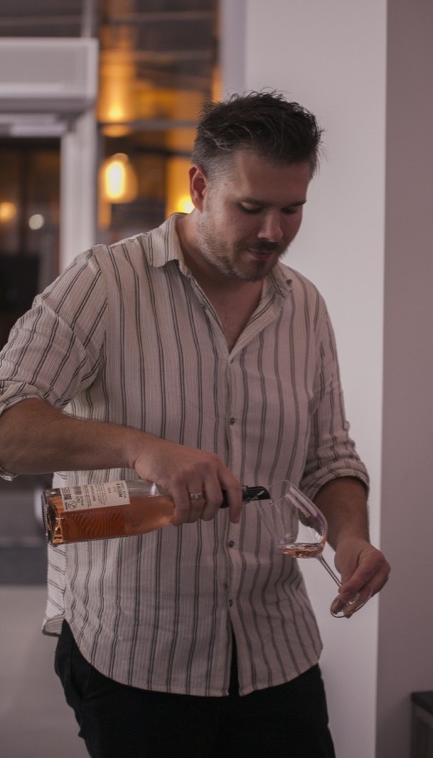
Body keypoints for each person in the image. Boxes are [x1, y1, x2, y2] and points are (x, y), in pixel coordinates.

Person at [0, 91, 390, 758]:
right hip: (135, 652)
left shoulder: (305, 306)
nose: (273, 232)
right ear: (200, 186)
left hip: (275, 650)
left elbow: (329, 457)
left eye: (292, 209)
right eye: (251, 208)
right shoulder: (103, 283)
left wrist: (351, 536)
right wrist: (141, 450)